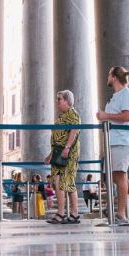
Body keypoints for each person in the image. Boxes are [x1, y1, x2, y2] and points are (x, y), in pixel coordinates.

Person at [97, 65, 129, 225]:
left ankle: (121, 214)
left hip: (123, 140)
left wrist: (106, 115)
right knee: (115, 176)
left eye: (108, 74)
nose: (107, 77)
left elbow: (127, 116)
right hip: (113, 141)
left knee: (119, 176)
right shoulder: (116, 96)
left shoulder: (126, 94)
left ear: (114, 77)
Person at [44, 89, 82, 224]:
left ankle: (62, 213)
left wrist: (67, 147)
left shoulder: (73, 114)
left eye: (59, 99)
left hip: (68, 153)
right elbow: (57, 137)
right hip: (58, 153)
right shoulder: (61, 116)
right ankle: (73, 214)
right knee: (62, 182)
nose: (57, 102)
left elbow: (74, 130)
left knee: (64, 182)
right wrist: (50, 154)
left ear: (67, 100)